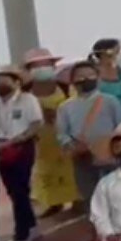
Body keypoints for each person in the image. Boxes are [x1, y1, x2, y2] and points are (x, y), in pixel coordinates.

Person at [58, 60, 121, 241]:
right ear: (73, 81)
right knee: (90, 199)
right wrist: (72, 146)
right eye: (80, 77)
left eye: (90, 75)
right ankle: (97, 237)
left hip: (111, 158)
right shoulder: (65, 107)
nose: (85, 79)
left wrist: (116, 149)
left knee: (116, 197)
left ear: (97, 78)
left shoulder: (110, 101)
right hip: (82, 159)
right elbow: (62, 134)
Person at [23, 48, 77, 218]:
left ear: (53, 66)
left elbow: (77, 107)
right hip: (40, 142)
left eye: (45, 64)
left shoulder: (65, 88)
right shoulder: (24, 93)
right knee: (45, 172)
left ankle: (78, 201)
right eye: (36, 66)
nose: (42, 68)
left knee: (72, 170)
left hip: (66, 137)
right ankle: (54, 203)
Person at [0, 64, 42, 241]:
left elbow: (36, 123)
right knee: (13, 189)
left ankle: (22, 235)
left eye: (4, 78)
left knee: (19, 189)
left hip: (22, 147)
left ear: (16, 81)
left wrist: (17, 140)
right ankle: (31, 226)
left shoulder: (27, 99)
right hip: (2, 150)